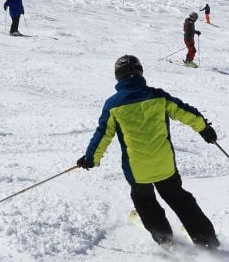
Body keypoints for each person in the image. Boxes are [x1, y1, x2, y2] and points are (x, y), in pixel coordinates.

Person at [77, 55, 220, 249]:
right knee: (179, 198)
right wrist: (204, 128)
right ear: (140, 72)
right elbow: (186, 112)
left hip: (137, 171)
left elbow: (103, 135)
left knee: (144, 201)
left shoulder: (113, 105)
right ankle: (206, 240)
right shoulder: (158, 96)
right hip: (165, 164)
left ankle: (165, 240)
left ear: (118, 77)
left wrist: (91, 159)